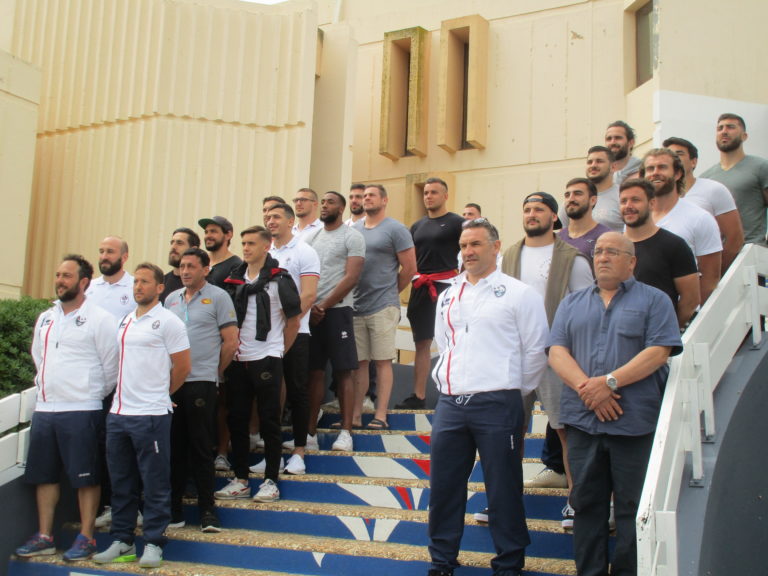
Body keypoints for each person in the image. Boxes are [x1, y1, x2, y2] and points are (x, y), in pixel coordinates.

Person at [548, 232, 682, 576]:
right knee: (585, 505)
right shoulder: (572, 303)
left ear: (631, 261)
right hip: (583, 424)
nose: (603, 257)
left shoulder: (655, 300)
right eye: (598, 252)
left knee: (632, 509)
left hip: (633, 424)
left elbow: (659, 352)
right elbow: (557, 351)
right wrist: (589, 389)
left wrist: (608, 382)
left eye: (612, 252)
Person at [428, 218, 549, 576]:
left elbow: (536, 351)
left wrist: (509, 387)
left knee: (503, 488)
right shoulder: (448, 295)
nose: (468, 252)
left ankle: (508, 564)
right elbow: (444, 344)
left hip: (498, 403)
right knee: (444, 488)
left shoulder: (519, 294)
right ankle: (442, 561)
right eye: (464, 246)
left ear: (496, 247)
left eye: (476, 244)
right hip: (451, 403)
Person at [16, 255, 119, 562]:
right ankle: (44, 536)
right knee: (44, 475)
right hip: (46, 408)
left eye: (67, 276)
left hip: (82, 408)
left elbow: (111, 366)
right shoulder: (46, 318)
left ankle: (86, 537)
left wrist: (88, 392)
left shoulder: (100, 319)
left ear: (83, 282)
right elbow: (39, 356)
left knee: (86, 477)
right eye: (58, 275)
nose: (60, 281)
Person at [501, 192, 593, 529]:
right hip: (515, 357)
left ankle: (577, 503)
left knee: (566, 430)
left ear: (554, 217)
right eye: (527, 209)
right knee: (508, 433)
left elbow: (586, 310)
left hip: (557, 355)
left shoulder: (573, 259)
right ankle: (504, 502)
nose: (532, 214)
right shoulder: (508, 256)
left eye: (539, 209)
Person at [93, 263, 190, 569]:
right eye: (136, 281)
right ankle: (122, 541)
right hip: (119, 414)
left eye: (145, 282)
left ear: (159, 288)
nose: (138, 287)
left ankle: (153, 543)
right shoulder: (125, 321)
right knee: (121, 483)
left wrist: (162, 394)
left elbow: (183, 367)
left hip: (151, 415)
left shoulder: (169, 322)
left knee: (155, 482)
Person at [214, 226, 301, 502]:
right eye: (243, 243)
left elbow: (293, 320)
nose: (246, 248)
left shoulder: (279, 279)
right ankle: (240, 479)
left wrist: (279, 351)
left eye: (251, 243)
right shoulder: (234, 279)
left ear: (266, 246)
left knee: (269, 421)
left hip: (267, 357)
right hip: (238, 359)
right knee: (237, 420)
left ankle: (271, 480)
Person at [164, 248, 238, 533]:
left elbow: (230, 341)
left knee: (201, 448)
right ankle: (174, 511)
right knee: (174, 448)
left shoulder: (218, 297)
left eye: (191, 266)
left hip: (202, 383)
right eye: (182, 266)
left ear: (206, 269)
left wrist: (215, 372)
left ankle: (207, 511)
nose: (185, 271)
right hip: (172, 384)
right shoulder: (171, 299)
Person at [305, 191, 366, 450]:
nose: (324, 205)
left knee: (344, 371)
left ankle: (345, 433)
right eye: (323, 201)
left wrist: (324, 305)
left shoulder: (352, 236)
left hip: (338, 311)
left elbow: (352, 277)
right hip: (312, 313)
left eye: (330, 202)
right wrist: (310, 306)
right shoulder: (311, 237)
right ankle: (309, 435)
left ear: (341, 208)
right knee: (314, 373)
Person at [352, 184, 416, 430]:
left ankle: (380, 415)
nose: (366, 198)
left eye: (371, 195)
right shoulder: (354, 229)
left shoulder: (396, 229)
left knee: (382, 361)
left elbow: (410, 268)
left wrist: (390, 292)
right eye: (364, 196)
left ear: (385, 200)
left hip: (383, 306)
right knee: (359, 364)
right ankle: (355, 416)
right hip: (356, 305)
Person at [396, 178, 463, 410]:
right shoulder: (417, 226)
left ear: (445, 196)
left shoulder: (457, 223)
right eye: (426, 192)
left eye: (434, 192)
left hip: (448, 288)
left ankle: (454, 392)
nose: (428, 196)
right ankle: (419, 395)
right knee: (421, 343)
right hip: (421, 288)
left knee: (453, 341)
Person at [264, 203, 320, 473]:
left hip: (297, 331)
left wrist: (290, 322)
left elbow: (308, 294)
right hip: (267, 335)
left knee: (297, 390)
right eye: (267, 217)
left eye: (276, 216)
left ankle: (299, 451)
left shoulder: (304, 251)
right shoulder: (266, 253)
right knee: (270, 393)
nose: (270, 221)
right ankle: (272, 454)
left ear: (290, 222)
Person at [641, 148, 723, 303]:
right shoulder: (636, 219)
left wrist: (686, 313)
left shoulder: (700, 218)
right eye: (650, 169)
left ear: (677, 174)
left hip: (680, 312)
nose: (655, 173)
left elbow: (710, 279)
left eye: (662, 167)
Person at [620, 178, 700, 329]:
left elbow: (691, 300)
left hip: (657, 335)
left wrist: (666, 333)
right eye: (623, 201)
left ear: (651, 204)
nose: (628, 206)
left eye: (635, 200)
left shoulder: (675, 245)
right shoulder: (612, 247)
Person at [663, 136, 744, 272]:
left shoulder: (713, 189)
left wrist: (715, 273)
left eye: (679, 154)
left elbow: (734, 238)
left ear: (693, 162)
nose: (673, 158)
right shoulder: (656, 198)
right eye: (668, 155)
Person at [700, 113, 768, 245]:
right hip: (718, 251)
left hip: (751, 248)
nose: (724, 131)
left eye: (730, 127)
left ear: (744, 136)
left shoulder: (761, 167)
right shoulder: (705, 178)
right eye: (720, 128)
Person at [559, 146, 623, 232]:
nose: (593, 165)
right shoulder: (572, 199)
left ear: (613, 167)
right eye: (590, 162)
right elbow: (563, 234)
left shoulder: (622, 196)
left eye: (599, 161)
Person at [558, 177, 612, 258]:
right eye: (567, 195)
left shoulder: (606, 237)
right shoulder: (557, 239)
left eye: (577, 194)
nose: (571, 199)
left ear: (593, 200)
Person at [86, 236, 134, 319]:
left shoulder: (135, 288)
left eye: (110, 252)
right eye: (101, 252)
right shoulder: (88, 287)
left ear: (124, 257)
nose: (104, 257)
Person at [198, 216, 242, 287]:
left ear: (228, 235)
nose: (208, 236)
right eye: (206, 232)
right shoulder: (200, 261)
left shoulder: (236, 266)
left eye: (213, 231)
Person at [160, 227, 201, 303]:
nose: (173, 247)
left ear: (193, 250)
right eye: (172, 243)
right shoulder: (160, 283)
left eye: (179, 243)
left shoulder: (202, 283)